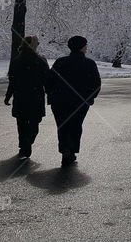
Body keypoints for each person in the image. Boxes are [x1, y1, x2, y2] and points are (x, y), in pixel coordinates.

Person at [47, 36, 101, 167]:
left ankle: (64, 149)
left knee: (62, 125)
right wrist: (90, 98)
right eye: (86, 45)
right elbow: (96, 84)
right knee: (76, 125)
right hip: (80, 101)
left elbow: (49, 80)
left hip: (59, 100)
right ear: (82, 47)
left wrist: (51, 95)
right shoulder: (89, 63)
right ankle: (71, 150)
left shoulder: (60, 62)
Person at [4, 36, 49, 158]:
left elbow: (12, 81)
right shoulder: (41, 61)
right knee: (35, 121)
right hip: (36, 97)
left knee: (21, 122)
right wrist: (50, 95)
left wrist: (8, 96)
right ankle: (28, 141)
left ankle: (24, 145)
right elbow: (47, 80)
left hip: (20, 96)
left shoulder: (16, 60)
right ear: (33, 45)